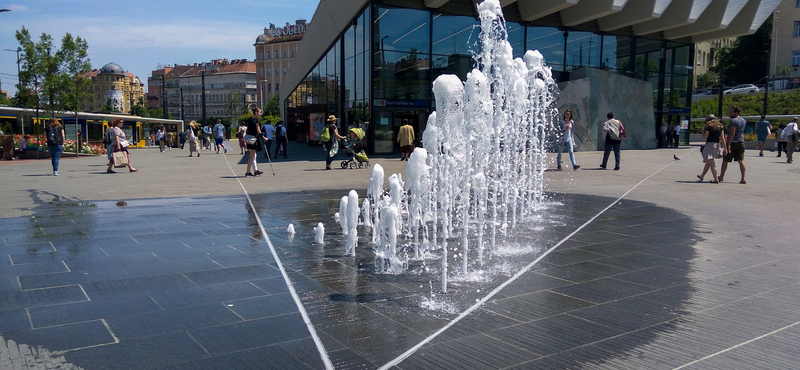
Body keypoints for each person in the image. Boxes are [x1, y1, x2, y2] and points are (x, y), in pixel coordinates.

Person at [719, 105, 746, 184]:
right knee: (741, 160)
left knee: (725, 160)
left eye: (731, 112)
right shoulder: (743, 120)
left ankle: (721, 176)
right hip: (741, 142)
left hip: (733, 142)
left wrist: (728, 145)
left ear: (736, 112)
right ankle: (743, 178)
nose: (729, 113)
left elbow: (732, 133)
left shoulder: (733, 121)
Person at [697, 114, 724, 183]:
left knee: (712, 163)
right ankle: (702, 176)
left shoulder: (708, 127)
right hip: (717, 145)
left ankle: (716, 178)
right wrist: (725, 148)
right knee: (709, 162)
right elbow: (723, 138)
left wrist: (703, 132)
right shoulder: (720, 127)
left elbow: (704, 138)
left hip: (709, 145)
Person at [244, 106, 264, 177]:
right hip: (254, 139)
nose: (260, 114)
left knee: (253, 155)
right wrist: (264, 137)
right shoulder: (256, 120)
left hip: (249, 138)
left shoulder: (250, 119)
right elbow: (258, 131)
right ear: (256, 113)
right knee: (251, 156)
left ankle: (255, 170)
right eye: (260, 112)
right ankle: (248, 172)